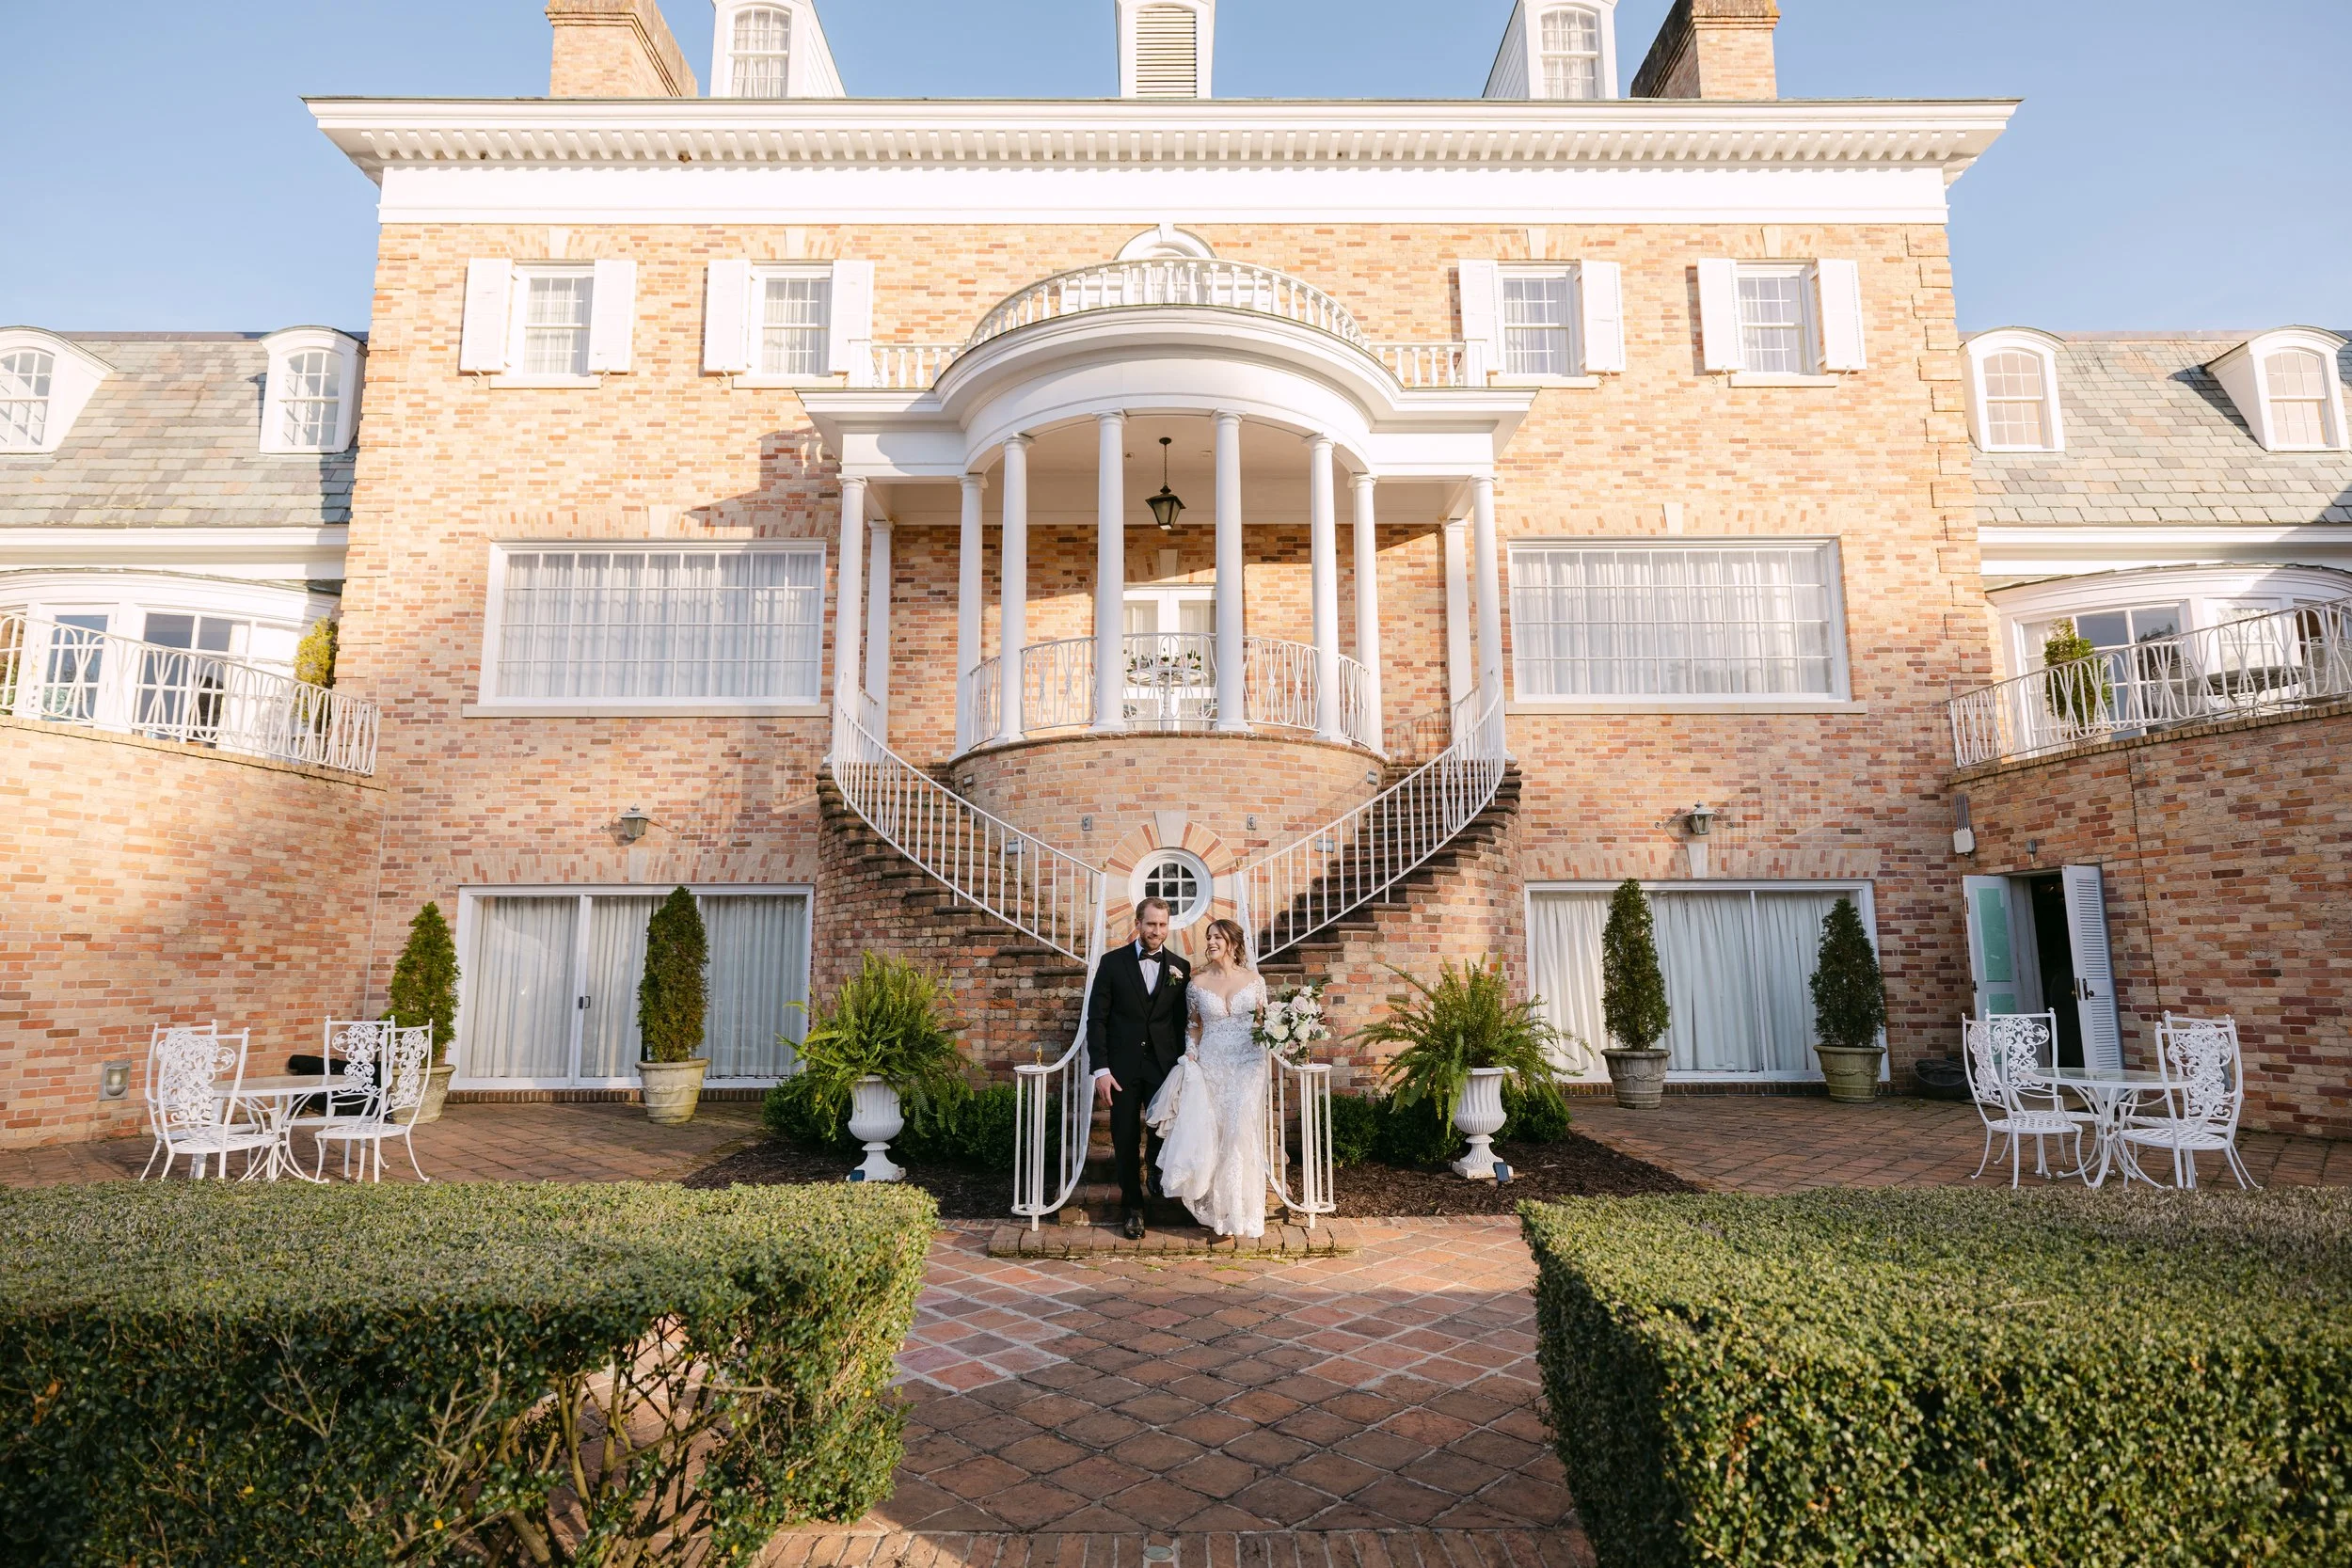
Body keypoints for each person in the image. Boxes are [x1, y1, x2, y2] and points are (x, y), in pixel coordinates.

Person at [1151, 917, 1270, 1240]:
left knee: (1238, 1131)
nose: (1212, 942)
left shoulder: (1255, 980)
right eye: (1209, 937)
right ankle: (1220, 1212)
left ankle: (1240, 1211)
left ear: (1233, 943)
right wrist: (1191, 1054)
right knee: (1216, 1134)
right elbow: (1194, 1026)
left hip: (1248, 1063)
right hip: (1212, 1065)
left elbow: (1265, 1024)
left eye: (1218, 937)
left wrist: (1277, 1039)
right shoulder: (1197, 984)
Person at [1086, 896, 1190, 1239]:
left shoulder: (1180, 967)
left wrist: (1185, 1065)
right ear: (1138, 924)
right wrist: (1101, 1069)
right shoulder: (1112, 963)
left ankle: (1156, 1173)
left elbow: (1181, 1023)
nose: (1156, 931)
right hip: (1121, 1070)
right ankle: (1133, 1207)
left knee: (1161, 1130)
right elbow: (1097, 1019)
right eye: (1150, 924)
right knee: (1125, 1137)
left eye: (1162, 925)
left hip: (1164, 1067)